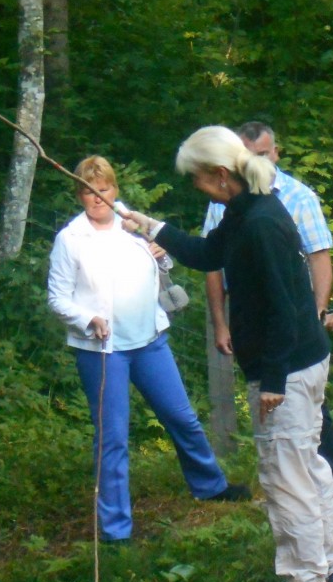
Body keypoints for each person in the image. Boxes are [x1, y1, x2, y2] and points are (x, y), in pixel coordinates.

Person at [121, 128, 333, 582]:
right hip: (298, 361)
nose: (196, 187)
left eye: (198, 179)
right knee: (307, 467)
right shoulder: (247, 209)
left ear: (221, 175)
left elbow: (287, 309)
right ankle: (327, 572)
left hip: (287, 367)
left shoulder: (261, 222)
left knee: (285, 476)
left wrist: (272, 382)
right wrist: (148, 225)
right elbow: (208, 254)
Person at [47, 156, 248, 544]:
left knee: (182, 418)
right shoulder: (71, 239)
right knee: (113, 437)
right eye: (88, 191)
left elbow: (161, 265)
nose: (97, 198)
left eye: (103, 189)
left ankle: (211, 486)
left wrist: (161, 255)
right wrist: (88, 320)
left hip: (149, 339)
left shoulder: (131, 224)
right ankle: (116, 530)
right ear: (79, 195)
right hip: (103, 350)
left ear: (114, 190)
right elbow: (57, 298)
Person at [202, 121, 333, 520]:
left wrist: (318, 311)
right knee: (294, 454)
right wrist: (221, 323)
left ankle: (313, 559)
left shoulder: (285, 203)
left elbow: (317, 259)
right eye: (248, 154)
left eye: (263, 153)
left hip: (292, 334)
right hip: (264, 331)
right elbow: (210, 261)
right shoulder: (229, 204)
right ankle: (324, 565)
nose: (257, 161)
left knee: (296, 456)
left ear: (276, 153)